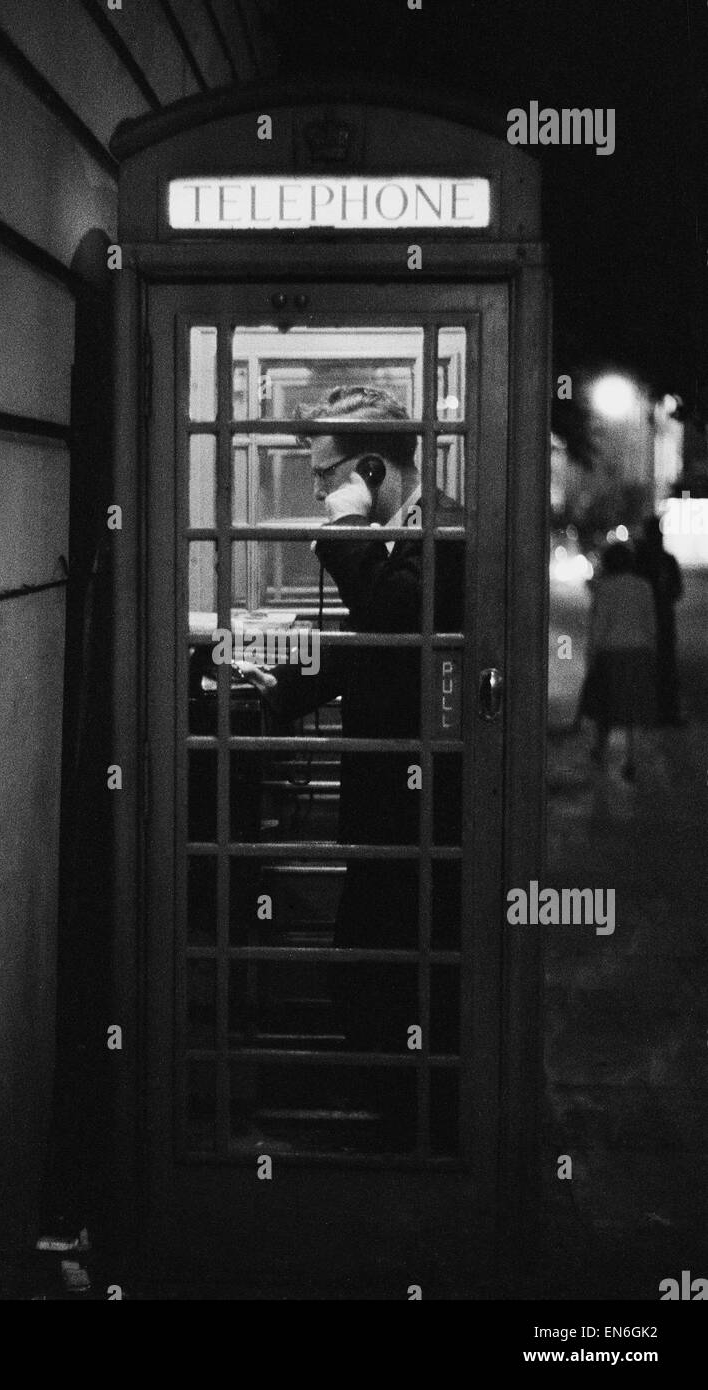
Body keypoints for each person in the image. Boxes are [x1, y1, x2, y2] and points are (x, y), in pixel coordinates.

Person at [239, 385, 464, 1140]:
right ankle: (393, 1117)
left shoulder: (448, 532)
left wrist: (344, 530)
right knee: (365, 969)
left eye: (324, 473)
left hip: (427, 805)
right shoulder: (399, 533)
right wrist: (289, 680)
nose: (317, 489)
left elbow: (396, 617)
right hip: (387, 800)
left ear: (370, 467)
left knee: (392, 979)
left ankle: (417, 1136)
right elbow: (374, 647)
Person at [579, 541, 656, 779]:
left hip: (611, 651)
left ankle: (600, 749)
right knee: (634, 707)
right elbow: (650, 622)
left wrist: (590, 654)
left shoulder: (605, 587)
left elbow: (599, 624)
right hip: (639, 650)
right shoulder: (643, 586)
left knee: (606, 705)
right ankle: (631, 758)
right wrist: (651, 650)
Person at [634, 515, 685, 725]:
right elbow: (677, 591)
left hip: (653, 621)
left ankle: (657, 712)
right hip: (659, 620)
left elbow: (676, 590)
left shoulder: (643, 560)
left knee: (655, 667)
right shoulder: (663, 560)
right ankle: (664, 712)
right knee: (663, 668)